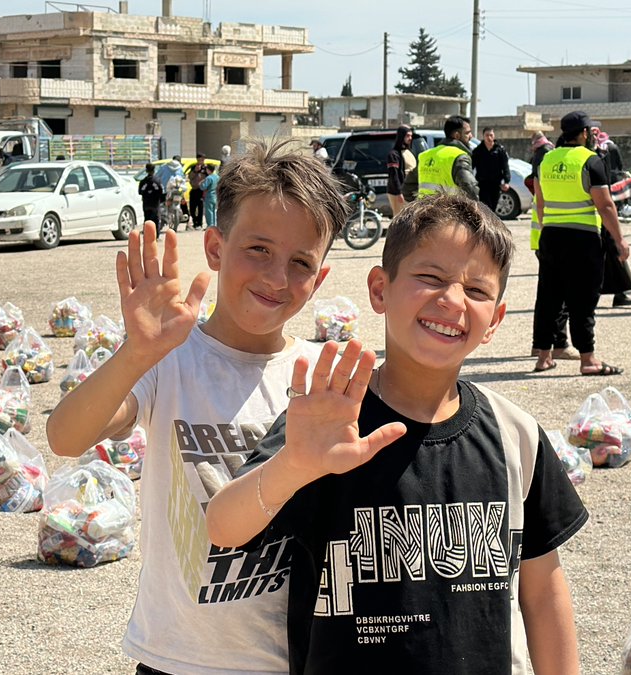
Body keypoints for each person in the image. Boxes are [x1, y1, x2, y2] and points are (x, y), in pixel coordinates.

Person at [205, 193, 588, 675]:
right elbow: (223, 528)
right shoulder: (329, 423)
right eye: (430, 278)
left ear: (495, 320)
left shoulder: (517, 434)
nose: (451, 301)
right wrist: (295, 466)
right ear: (380, 289)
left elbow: (542, 589)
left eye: (476, 291)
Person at [45, 139, 349, 675]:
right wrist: (136, 353)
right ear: (214, 247)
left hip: (292, 661)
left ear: (320, 277)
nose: (277, 277)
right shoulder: (169, 360)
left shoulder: (321, 376)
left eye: (301, 261)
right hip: (178, 659)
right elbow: (66, 437)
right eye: (258, 249)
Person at [532, 111, 628, 375]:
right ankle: (588, 359)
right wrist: (619, 239)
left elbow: (539, 201)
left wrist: (547, 226)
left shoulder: (546, 159)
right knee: (582, 299)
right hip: (583, 237)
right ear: (584, 133)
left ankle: (543, 357)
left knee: (548, 297)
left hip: (551, 235)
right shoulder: (590, 160)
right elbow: (606, 205)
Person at [526, 133, 577, 359]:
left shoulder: (542, 165)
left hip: (543, 237)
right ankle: (559, 343)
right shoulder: (555, 163)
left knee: (546, 296)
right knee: (561, 297)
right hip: (555, 237)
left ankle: (540, 344)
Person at [591, 128, 631, 307]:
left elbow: (617, 173)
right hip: (592, 212)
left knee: (613, 251)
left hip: (605, 204)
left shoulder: (608, 150)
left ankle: (620, 293)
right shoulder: (588, 155)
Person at [402, 115, 478, 202]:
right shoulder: (459, 157)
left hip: (425, 212)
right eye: (467, 133)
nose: (471, 136)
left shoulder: (425, 156)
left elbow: (407, 190)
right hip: (449, 212)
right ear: (457, 135)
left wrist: (421, 204)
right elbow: (471, 190)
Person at [471, 127, 511, 212]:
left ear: (494, 136)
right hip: (482, 184)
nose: (489, 137)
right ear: (483, 136)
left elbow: (505, 167)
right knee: (486, 206)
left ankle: (490, 224)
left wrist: (506, 181)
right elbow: (471, 166)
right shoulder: (478, 151)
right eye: (487, 135)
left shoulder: (500, 150)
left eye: (491, 135)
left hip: (496, 184)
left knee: (493, 207)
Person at [385, 125, 415, 215]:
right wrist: (399, 192)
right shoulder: (394, 154)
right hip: (398, 193)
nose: (410, 138)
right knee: (399, 219)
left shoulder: (408, 152)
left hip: (409, 192)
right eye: (407, 136)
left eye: (411, 136)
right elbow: (394, 175)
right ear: (401, 136)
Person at [137, 163, 165, 236]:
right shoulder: (157, 180)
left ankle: (147, 235)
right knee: (156, 219)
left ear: (146, 171)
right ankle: (156, 235)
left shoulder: (143, 182)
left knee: (147, 219)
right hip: (155, 204)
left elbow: (140, 192)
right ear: (154, 171)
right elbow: (161, 191)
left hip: (146, 203)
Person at [186, 154, 207, 229]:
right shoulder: (193, 167)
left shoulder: (206, 168)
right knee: (192, 208)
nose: (200, 161)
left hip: (202, 190)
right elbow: (189, 177)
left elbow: (208, 178)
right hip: (194, 189)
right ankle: (194, 222)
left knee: (200, 207)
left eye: (202, 160)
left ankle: (199, 223)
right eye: (199, 160)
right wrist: (195, 171)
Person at [201, 163, 219, 230]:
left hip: (209, 196)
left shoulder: (209, 178)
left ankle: (210, 226)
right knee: (215, 211)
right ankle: (215, 225)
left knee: (209, 211)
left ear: (208, 170)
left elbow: (203, 187)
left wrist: (201, 183)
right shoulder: (217, 177)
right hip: (216, 196)